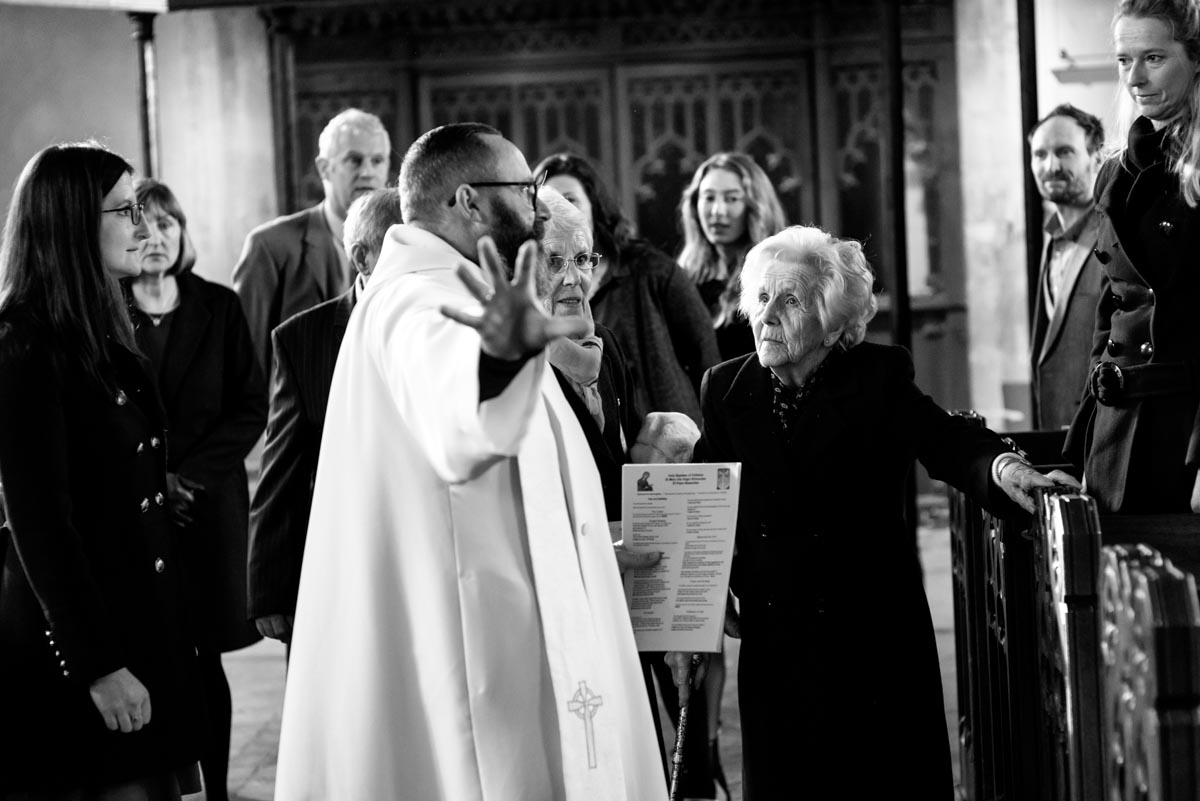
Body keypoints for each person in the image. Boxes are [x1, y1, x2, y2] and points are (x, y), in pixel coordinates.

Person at [273, 123, 664, 801]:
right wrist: (499, 359)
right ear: (469, 201)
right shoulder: (416, 299)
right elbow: (453, 399)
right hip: (474, 655)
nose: (537, 209)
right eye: (524, 191)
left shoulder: (459, 290)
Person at [669, 225, 1079, 800]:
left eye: (790, 301)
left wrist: (1003, 468)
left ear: (834, 324)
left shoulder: (876, 378)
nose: (768, 316)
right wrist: (701, 605)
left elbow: (945, 440)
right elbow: (706, 503)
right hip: (777, 639)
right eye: (761, 298)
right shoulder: (725, 390)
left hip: (871, 635)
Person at [0, 142, 203, 798]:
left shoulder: (98, 334)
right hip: (85, 645)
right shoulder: (24, 346)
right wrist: (99, 665)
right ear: (69, 224)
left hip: (138, 622)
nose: (145, 227)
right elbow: (41, 527)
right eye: (125, 211)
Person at [126, 178, 267, 801]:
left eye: (167, 223)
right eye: (142, 223)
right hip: (133, 506)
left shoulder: (219, 306)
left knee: (206, 657)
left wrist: (190, 478)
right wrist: (154, 479)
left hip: (206, 508)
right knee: (150, 653)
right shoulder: (105, 311)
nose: (155, 236)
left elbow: (249, 406)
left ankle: (217, 791)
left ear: (182, 234)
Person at [247, 188, 403, 646]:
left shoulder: (448, 323)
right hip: (335, 558)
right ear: (362, 258)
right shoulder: (302, 338)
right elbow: (283, 470)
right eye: (404, 248)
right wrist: (270, 590)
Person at [1066, 0, 1200, 514]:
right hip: (1114, 431)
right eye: (1124, 60)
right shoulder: (1114, 171)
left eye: (1154, 58)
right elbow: (1108, 322)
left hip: (1183, 436)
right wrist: (1078, 450)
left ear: (1195, 58)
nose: (1135, 78)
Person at [535, 153, 720, 424]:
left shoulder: (654, 270)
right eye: (547, 201)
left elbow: (705, 355)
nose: (556, 209)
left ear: (594, 206)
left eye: (569, 199)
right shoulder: (535, 302)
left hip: (666, 426)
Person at [232, 108, 391, 373]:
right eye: (354, 160)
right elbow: (246, 361)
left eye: (377, 160)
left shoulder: (403, 244)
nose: (367, 172)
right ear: (324, 168)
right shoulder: (270, 246)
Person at [1027, 104, 1107, 431]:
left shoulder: (1114, 236)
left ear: (1096, 157)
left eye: (1064, 152)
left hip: (1101, 430)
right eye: (1040, 154)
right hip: (1058, 433)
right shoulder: (1052, 239)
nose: (1051, 166)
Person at [678, 152, 786, 362]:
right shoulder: (685, 276)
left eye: (732, 199)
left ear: (755, 206)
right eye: (709, 198)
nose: (717, 211)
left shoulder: (776, 272)